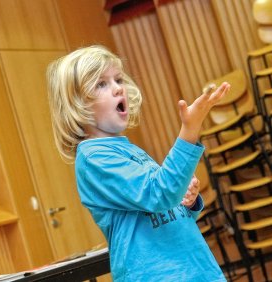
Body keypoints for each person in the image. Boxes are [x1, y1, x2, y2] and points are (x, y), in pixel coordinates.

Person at [46, 45, 229, 281]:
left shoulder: (128, 149)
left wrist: (188, 202)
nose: (117, 89)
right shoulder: (94, 159)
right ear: (76, 105)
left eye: (118, 79)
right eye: (101, 84)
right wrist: (189, 130)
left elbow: (163, 214)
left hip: (197, 270)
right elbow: (159, 194)